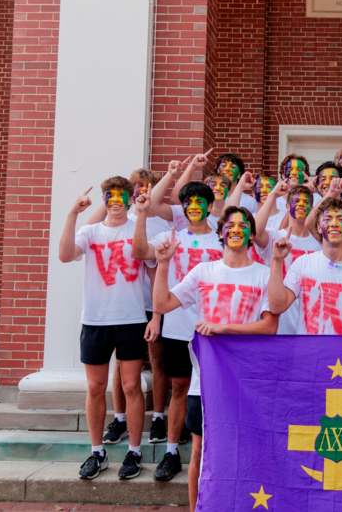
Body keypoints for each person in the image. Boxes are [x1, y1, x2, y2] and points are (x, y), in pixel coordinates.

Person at [151, 205, 278, 511]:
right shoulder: (203, 271)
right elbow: (163, 302)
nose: (236, 230)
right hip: (203, 381)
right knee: (200, 450)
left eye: (243, 225)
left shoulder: (263, 274)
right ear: (221, 232)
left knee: (247, 449)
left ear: (251, 234)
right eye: (230, 225)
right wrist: (164, 264)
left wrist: (223, 328)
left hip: (246, 381)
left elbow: (269, 326)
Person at [59, 177, 151, 481]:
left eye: (120, 196)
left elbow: (141, 253)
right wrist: (72, 213)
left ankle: (134, 450)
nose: (115, 201)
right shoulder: (90, 231)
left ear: (128, 198)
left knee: (130, 386)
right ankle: (97, 450)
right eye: (110, 196)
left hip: (130, 318)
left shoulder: (137, 224)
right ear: (104, 199)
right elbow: (65, 255)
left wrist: (141, 214)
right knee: (96, 387)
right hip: (96, 319)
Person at [132, 181, 222, 481]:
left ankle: (215, 448)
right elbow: (140, 251)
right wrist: (142, 214)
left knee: (216, 391)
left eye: (200, 201)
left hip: (214, 330)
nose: (193, 206)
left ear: (210, 206)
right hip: (178, 324)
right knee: (180, 388)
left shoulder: (223, 241)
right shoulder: (171, 237)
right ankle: (171, 451)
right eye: (188, 202)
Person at [268, 197, 342, 340]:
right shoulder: (303, 263)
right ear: (319, 227)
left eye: (340, 219)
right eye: (327, 219)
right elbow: (277, 306)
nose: (333, 224)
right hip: (308, 354)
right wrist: (277, 260)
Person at [253, 182, 322, 334]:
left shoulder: (319, 243)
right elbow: (256, 232)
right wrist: (273, 195)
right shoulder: (275, 236)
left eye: (306, 202)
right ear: (286, 206)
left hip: (309, 318)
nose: (301, 204)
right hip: (279, 318)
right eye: (296, 201)